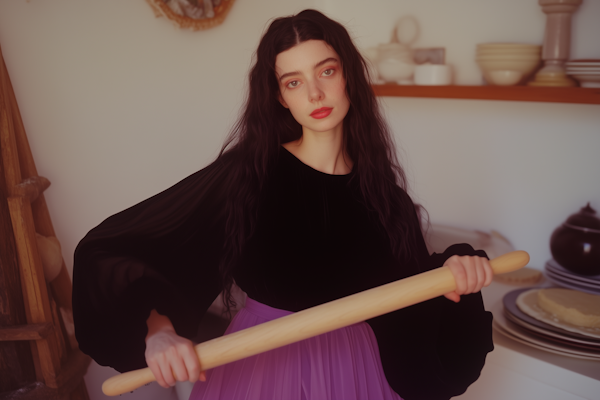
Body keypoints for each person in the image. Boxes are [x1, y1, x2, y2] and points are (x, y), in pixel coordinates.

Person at [72, 9, 494, 400]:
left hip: (356, 370)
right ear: (279, 96)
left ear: (348, 76)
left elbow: (412, 297)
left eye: (326, 71)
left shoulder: (388, 200)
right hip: (262, 369)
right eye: (294, 81)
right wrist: (157, 332)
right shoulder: (248, 175)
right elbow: (119, 251)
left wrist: (454, 270)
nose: (314, 93)